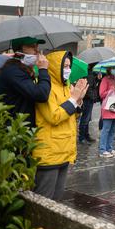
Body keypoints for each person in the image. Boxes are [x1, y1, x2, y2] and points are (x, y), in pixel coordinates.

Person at [33, 51, 88, 200]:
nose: (68, 70)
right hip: (50, 153)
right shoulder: (45, 87)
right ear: (54, 67)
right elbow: (54, 116)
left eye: (69, 66)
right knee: (44, 202)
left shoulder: (66, 86)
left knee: (56, 201)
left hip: (64, 151)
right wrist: (74, 98)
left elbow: (72, 116)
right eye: (64, 66)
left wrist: (79, 100)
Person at [0, 37, 51, 126]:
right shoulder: (14, 71)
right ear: (19, 50)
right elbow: (41, 94)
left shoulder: (19, 69)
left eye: (37, 47)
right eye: (32, 47)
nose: (37, 51)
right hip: (15, 129)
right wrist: (43, 70)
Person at [98, 67, 115, 158]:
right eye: (114, 68)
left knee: (113, 130)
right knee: (106, 130)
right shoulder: (105, 79)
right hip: (108, 108)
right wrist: (113, 89)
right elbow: (101, 94)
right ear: (109, 69)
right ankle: (102, 150)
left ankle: (109, 148)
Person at [78, 66, 99, 144]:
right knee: (85, 118)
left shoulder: (91, 74)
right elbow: (89, 88)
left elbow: (93, 85)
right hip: (87, 99)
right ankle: (82, 137)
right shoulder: (88, 74)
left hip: (89, 98)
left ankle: (86, 135)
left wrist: (97, 79)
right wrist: (92, 97)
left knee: (87, 118)